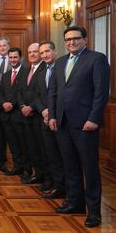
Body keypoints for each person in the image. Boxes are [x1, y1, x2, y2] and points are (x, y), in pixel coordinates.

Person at [48, 26, 110, 228]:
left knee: (89, 169)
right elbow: (53, 92)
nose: (71, 42)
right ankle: (75, 203)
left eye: (75, 39)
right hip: (62, 123)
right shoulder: (60, 62)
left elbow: (101, 93)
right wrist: (53, 116)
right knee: (70, 166)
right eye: (68, 40)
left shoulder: (96, 59)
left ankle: (94, 212)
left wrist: (94, 118)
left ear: (85, 39)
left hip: (85, 124)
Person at [33, 41, 66, 198]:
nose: (44, 55)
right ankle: (56, 185)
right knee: (50, 154)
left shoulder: (63, 68)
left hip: (60, 119)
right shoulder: (40, 73)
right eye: (42, 53)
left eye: (47, 51)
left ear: (55, 51)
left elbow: (63, 95)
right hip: (45, 118)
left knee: (64, 155)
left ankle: (66, 188)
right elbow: (37, 95)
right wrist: (44, 111)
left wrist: (52, 113)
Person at [17, 43, 48, 184]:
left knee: (44, 149)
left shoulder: (44, 69)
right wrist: (23, 106)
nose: (32, 54)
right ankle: (38, 174)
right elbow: (19, 91)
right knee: (32, 148)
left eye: (35, 52)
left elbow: (40, 93)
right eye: (29, 52)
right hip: (26, 116)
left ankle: (48, 179)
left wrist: (31, 107)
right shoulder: (25, 70)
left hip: (38, 115)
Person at [0, 47, 27, 176]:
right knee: (13, 144)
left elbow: (24, 94)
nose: (13, 60)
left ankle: (27, 169)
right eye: (11, 57)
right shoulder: (6, 75)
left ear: (20, 58)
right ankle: (17, 166)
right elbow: (0, 93)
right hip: (6, 116)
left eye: (15, 57)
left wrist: (12, 104)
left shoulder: (27, 73)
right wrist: (3, 103)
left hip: (19, 115)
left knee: (23, 144)